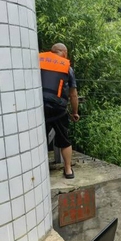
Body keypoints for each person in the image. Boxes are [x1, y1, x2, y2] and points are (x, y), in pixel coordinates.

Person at [39, 42, 80, 179]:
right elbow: (73, 94)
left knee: (38, 139)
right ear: (64, 52)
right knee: (64, 138)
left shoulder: (38, 60)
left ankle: (38, 168)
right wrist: (75, 112)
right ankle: (68, 169)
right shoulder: (66, 67)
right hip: (58, 109)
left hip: (39, 107)